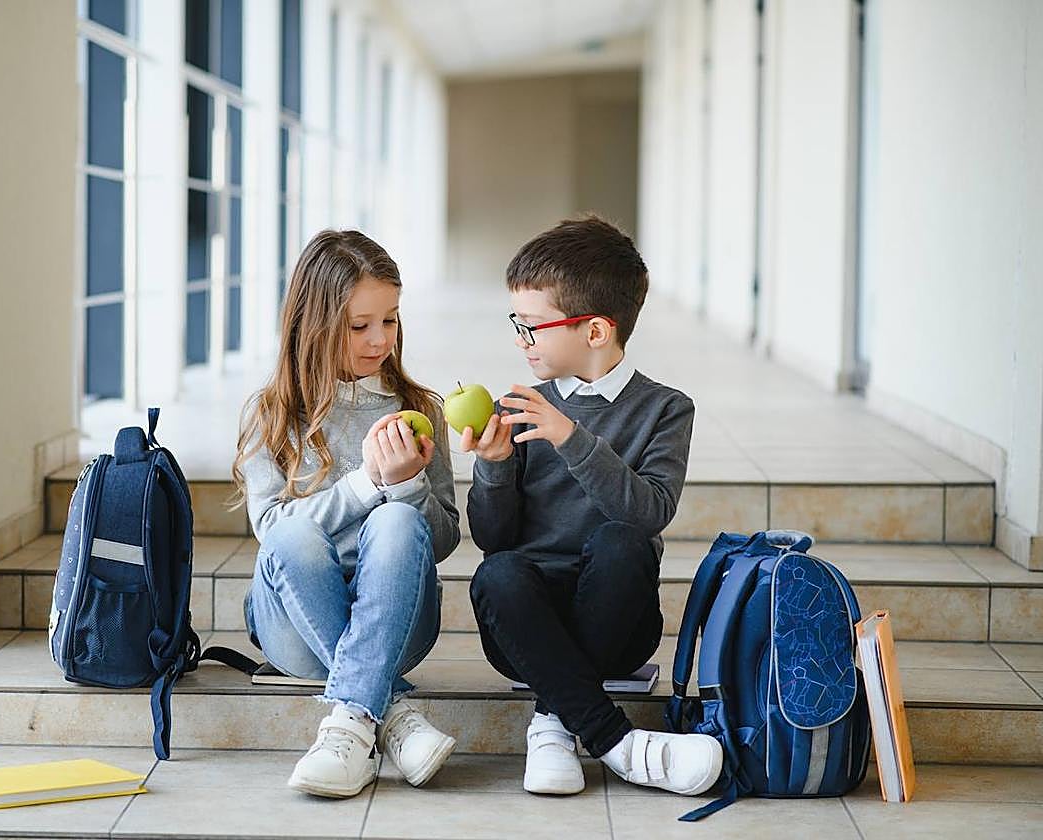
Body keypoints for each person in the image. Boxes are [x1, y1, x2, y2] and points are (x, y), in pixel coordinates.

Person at [462, 216, 722, 797]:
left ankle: (553, 720)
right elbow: (493, 537)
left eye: (531, 326)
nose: (520, 341)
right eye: (517, 324)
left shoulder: (666, 409)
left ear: (596, 331)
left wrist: (570, 437)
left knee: (621, 539)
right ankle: (617, 743)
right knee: (498, 573)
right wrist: (494, 465)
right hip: (527, 626)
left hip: (619, 624)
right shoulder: (520, 405)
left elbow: (650, 512)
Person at [235, 229, 460, 798]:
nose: (380, 339)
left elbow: (445, 540)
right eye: (359, 326)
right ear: (313, 322)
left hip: (399, 621)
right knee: (292, 536)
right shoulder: (272, 415)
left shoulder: (420, 409)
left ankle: (355, 716)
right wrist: (366, 483)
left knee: (398, 520)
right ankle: (391, 712)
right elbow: (273, 533)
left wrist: (406, 486)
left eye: (390, 319)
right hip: (293, 628)